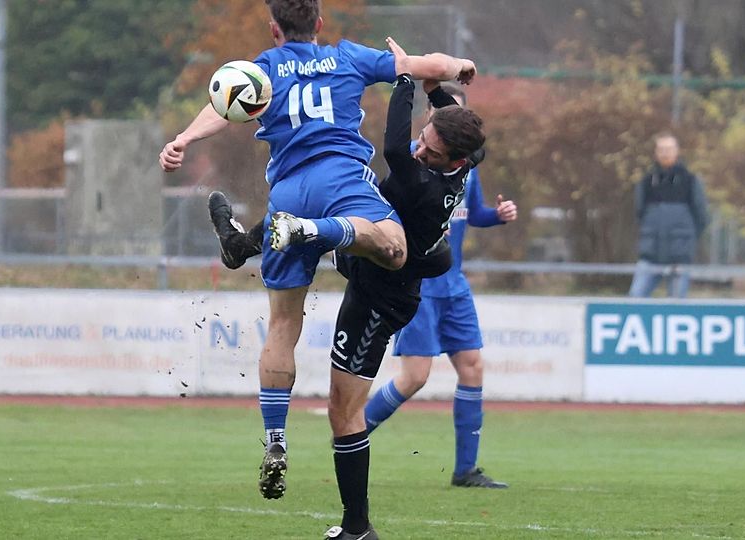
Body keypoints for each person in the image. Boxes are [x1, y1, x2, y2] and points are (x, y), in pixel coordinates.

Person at [159, 0, 477, 507]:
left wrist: (183, 139)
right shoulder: (348, 56)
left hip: (286, 188)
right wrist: (459, 67)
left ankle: (275, 439)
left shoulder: (265, 67)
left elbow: (225, 103)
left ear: (274, 28)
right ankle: (306, 232)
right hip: (342, 182)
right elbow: (430, 67)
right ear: (320, 24)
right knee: (397, 248)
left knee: (283, 324)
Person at [209, 59, 486, 540]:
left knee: (343, 409)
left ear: (453, 163)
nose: (421, 151)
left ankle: (358, 528)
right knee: (316, 203)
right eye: (426, 139)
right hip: (365, 261)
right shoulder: (468, 155)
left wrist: (403, 78)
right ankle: (245, 245)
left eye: (432, 151)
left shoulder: (421, 181)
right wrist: (435, 92)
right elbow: (442, 131)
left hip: (382, 297)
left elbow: (395, 145)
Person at [362, 84, 517, 490]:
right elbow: (395, 152)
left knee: (472, 368)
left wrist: (496, 216)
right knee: (415, 377)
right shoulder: (418, 158)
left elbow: (471, 214)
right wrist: (412, 80)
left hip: (455, 283)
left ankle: (466, 470)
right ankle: (351, 432)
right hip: (423, 281)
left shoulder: (466, 165)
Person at [627, 133, 709, 298]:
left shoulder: (690, 181)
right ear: (656, 153)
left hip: (680, 256)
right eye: (661, 149)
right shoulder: (646, 181)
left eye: (669, 149)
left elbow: (701, 215)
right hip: (650, 255)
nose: (665, 153)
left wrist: (687, 240)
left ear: (677, 151)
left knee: (676, 305)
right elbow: (639, 212)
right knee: (635, 299)